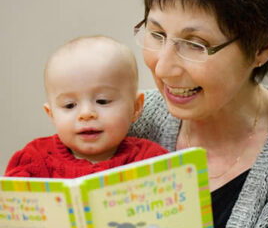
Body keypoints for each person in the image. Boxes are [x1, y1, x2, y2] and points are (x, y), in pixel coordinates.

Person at [53, 0, 268, 228]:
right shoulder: (124, 120)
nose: (163, 67)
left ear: (264, 44)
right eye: (156, 34)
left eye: (195, 44)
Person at [5, 35, 168, 178]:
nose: (86, 114)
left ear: (136, 107)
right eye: (69, 105)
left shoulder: (151, 160)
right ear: (52, 114)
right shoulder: (34, 159)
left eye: (102, 101)